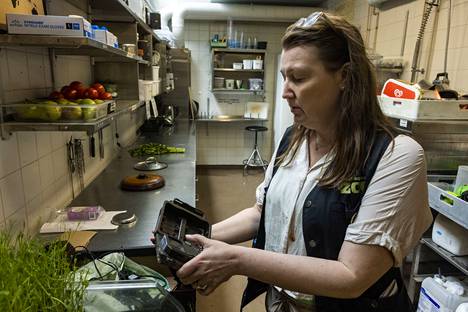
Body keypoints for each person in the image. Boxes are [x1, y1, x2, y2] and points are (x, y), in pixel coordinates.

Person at [177, 12, 432, 312]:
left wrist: (236, 260)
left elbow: (352, 276)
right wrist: (194, 239)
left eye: (298, 78)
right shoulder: (293, 139)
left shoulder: (395, 156)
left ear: (345, 77)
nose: (286, 92)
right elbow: (263, 213)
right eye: (285, 77)